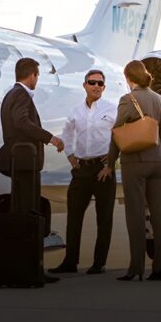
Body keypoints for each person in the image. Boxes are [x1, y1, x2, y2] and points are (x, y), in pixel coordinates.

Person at [0, 57, 65, 283]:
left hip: (19, 162)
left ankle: (26, 267)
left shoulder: (10, 94)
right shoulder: (21, 95)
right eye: (37, 76)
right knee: (29, 212)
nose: (37, 80)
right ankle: (32, 269)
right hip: (24, 162)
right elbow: (21, 122)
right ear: (32, 75)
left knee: (22, 211)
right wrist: (50, 138)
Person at [99, 60, 161, 281]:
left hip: (136, 162)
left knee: (136, 215)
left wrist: (110, 163)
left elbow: (117, 133)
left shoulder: (127, 99)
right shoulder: (159, 99)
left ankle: (136, 268)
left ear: (127, 77)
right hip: (158, 161)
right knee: (160, 216)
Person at [48, 69, 117, 275]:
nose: (96, 86)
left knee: (104, 218)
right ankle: (70, 262)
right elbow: (67, 133)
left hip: (103, 170)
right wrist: (70, 155)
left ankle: (99, 263)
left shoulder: (112, 110)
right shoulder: (76, 111)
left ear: (104, 88)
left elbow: (121, 136)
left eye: (100, 84)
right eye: (92, 82)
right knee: (74, 217)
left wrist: (112, 162)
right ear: (85, 85)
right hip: (81, 170)